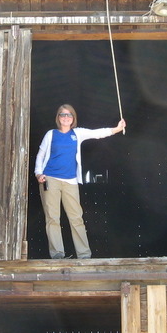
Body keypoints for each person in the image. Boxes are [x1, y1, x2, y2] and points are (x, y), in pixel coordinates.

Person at [34, 104, 126, 259]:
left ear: (73, 118)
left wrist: (116, 129)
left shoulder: (77, 133)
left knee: (76, 217)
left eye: (69, 115)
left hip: (70, 181)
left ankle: (84, 255)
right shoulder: (51, 134)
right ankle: (57, 254)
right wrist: (38, 173)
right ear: (58, 118)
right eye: (62, 114)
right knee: (52, 218)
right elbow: (41, 155)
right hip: (50, 179)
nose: (66, 117)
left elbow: (97, 133)